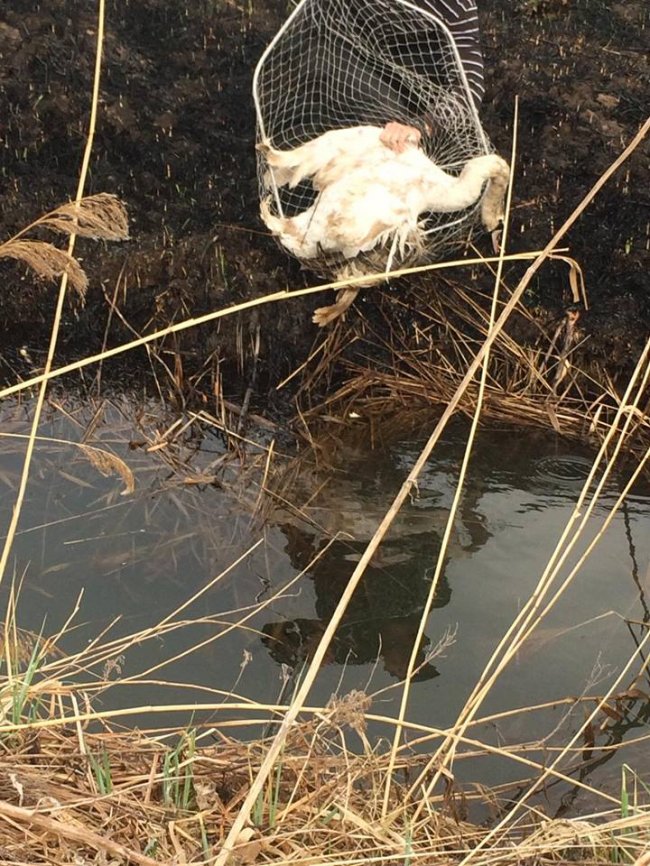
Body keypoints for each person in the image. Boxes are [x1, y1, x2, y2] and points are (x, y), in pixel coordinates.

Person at [380, 0, 484, 152]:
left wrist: (420, 127)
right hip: (352, 108)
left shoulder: (455, 6)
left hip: (420, 128)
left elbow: (469, 89)